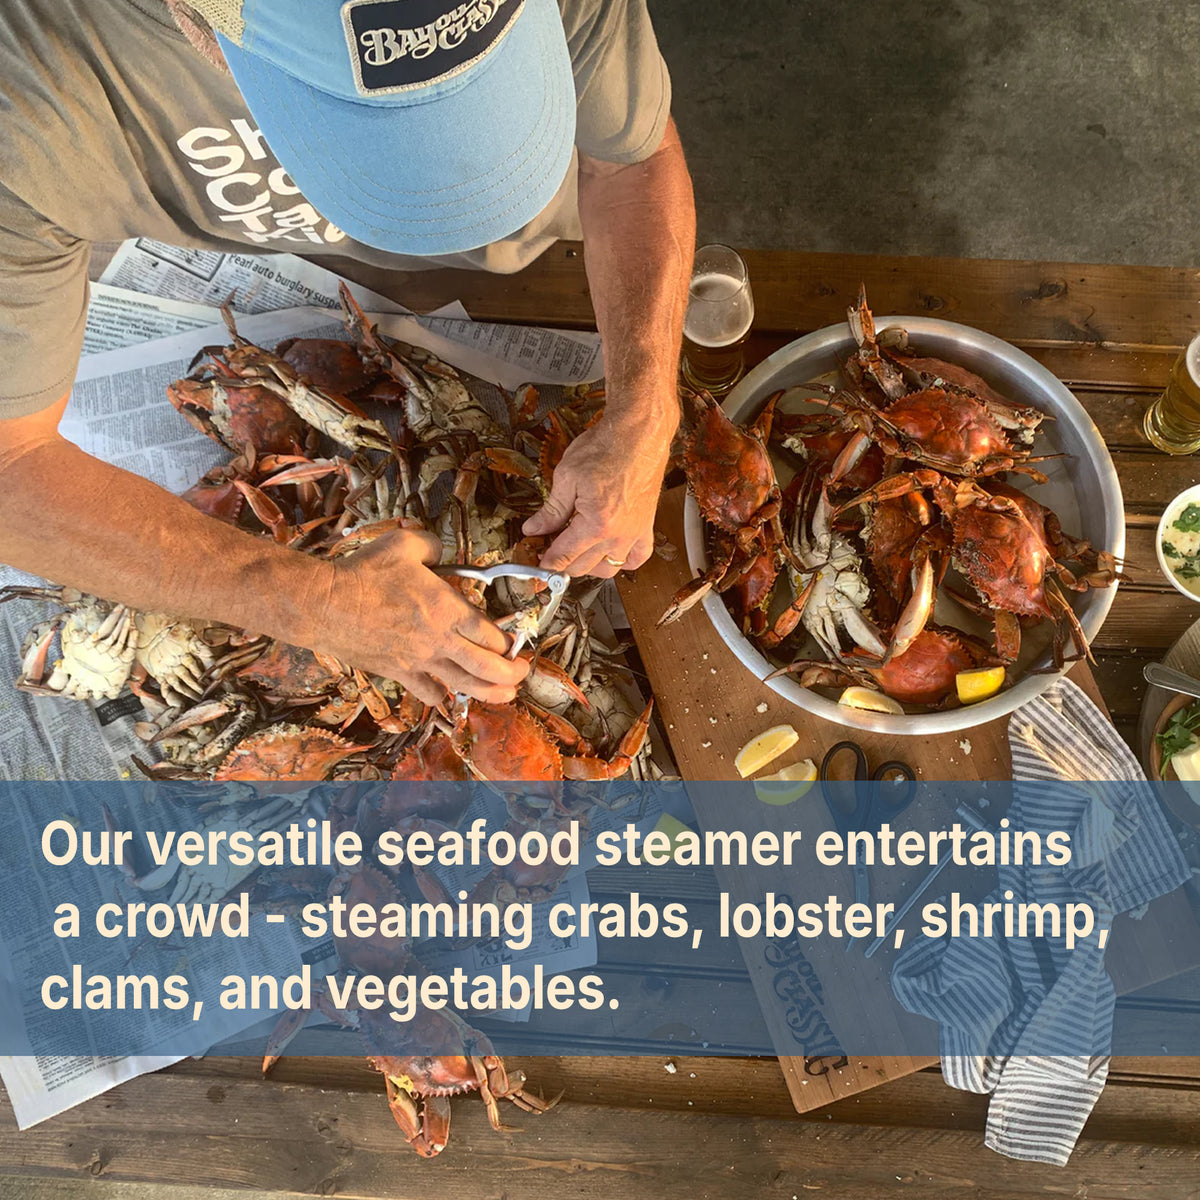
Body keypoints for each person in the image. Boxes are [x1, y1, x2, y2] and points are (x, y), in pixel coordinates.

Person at [0, 0, 695, 706]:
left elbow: (629, 164)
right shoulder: (32, 90)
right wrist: (320, 604)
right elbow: (9, 469)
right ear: (196, 22)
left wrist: (645, 409)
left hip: (536, 276)